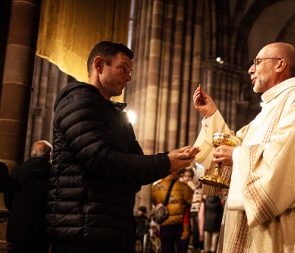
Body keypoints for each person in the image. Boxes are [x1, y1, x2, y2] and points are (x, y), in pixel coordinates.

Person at [47, 41, 199, 253]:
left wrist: (168, 160)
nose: (129, 76)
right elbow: (100, 159)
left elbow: (133, 167)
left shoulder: (114, 114)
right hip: (83, 231)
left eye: (130, 70)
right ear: (99, 65)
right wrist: (165, 162)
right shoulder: (77, 101)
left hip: (109, 227)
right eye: (123, 68)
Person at [193, 42, 295, 252]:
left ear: (280, 64)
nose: (251, 69)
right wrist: (212, 115)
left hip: (277, 232)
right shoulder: (270, 109)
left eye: (257, 62)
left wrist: (237, 156)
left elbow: (285, 162)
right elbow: (237, 145)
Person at [4, 140, 52, 253]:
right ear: (49, 154)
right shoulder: (53, 173)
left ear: (33, 153)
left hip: (18, 229)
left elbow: (8, 198)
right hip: (41, 230)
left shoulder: (18, 171)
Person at [151, 171, 193, 253]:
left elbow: (155, 203)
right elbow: (190, 202)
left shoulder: (155, 187)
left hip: (164, 224)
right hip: (180, 226)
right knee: (181, 250)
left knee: (166, 249)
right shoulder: (183, 187)